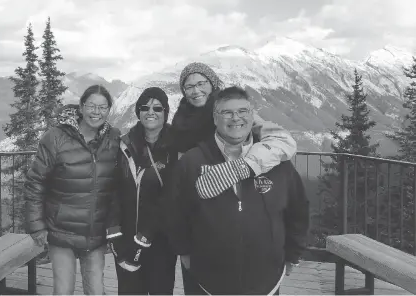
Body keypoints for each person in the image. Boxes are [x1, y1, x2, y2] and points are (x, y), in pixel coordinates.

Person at [165, 86, 310, 295]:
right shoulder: (192, 162)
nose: (236, 118)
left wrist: (293, 254)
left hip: (266, 281)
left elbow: (298, 210)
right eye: (227, 112)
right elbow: (175, 213)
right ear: (215, 118)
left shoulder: (277, 162)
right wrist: (185, 253)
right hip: (206, 282)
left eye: (243, 111)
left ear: (252, 117)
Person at [23, 85, 121, 295]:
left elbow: (119, 184)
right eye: (92, 106)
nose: (97, 112)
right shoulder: (56, 137)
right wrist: (37, 227)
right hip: (61, 230)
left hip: (96, 232)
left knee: (96, 291)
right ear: (81, 107)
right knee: (63, 291)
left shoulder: (114, 139)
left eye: (102, 107)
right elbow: (35, 182)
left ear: (109, 110)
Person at [106, 87, 179, 295]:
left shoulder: (176, 148)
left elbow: (173, 197)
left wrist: (146, 234)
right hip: (127, 237)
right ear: (138, 111)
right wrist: (114, 229)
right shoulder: (125, 145)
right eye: (145, 107)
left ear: (165, 112)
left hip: (161, 240)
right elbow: (113, 188)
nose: (151, 112)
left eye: (158, 108)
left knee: (160, 290)